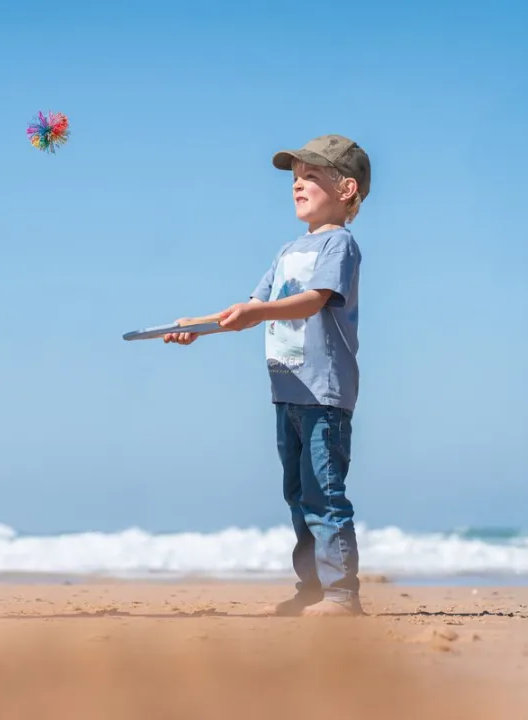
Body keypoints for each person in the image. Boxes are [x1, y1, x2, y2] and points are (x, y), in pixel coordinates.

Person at [165, 135, 371, 617]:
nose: (298, 185)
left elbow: (314, 299)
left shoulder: (339, 244)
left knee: (324, 493)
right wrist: (199, 326)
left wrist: (256, 315)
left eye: (311, 177)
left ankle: (342, 594)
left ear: (346, 190)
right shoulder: (287, 250)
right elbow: (253, 307)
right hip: (286, 389)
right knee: (298, 495)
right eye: (295, 179)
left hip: (323, 392)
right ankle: (313, 590)